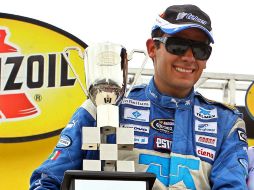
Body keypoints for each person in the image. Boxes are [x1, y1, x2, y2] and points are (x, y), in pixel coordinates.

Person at [30, 4, 249, 190]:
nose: (189, 58)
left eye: (201, 50)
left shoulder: (226, 123)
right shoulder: (105, 106)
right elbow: (47, 181)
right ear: (152, 48)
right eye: (178, 46)